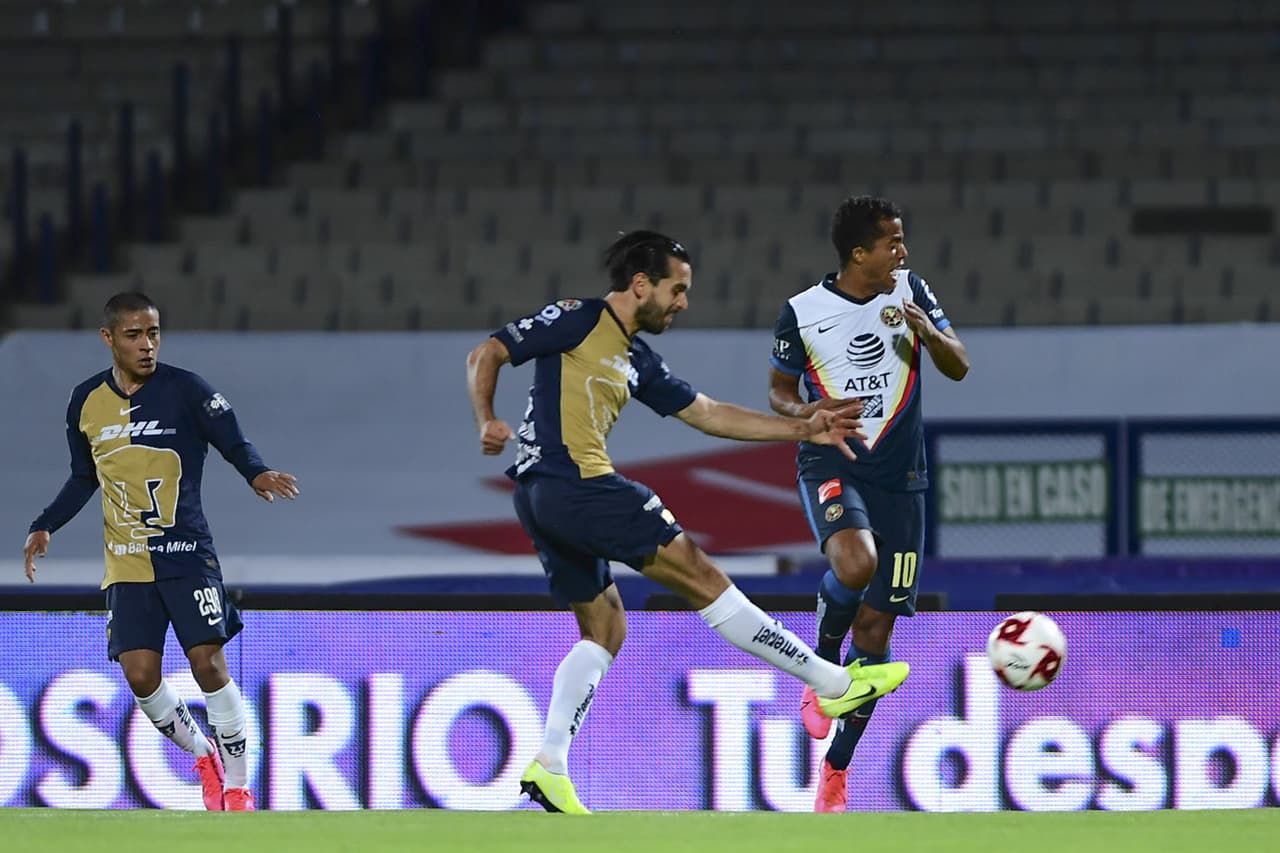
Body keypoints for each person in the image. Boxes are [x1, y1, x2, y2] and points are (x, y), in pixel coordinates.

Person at [465, 229, 910, 814]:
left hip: (545, 496)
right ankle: (832, 684)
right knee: (699, 573)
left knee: (605, 630)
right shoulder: (579, 319)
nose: (682, 303)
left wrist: (804, 426)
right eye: (677, 290)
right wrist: (486, 419)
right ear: (641, 283)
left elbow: (709, 414)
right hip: (573, 482)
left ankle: (549, 763)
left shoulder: (637, 357)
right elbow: (488, 352)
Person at [21, 292, 299, 812]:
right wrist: (46, 524)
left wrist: (255, 471)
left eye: (153, 333)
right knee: (141, 675)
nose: (147, 345)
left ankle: (238, 789)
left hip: (186, 553)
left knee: (207, 662)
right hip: (126, 560)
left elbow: (232, 441)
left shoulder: (188, 389)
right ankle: (203, 756)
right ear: (108, 338)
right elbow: (84, 476)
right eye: (134, 335)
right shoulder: (85, 401)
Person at [768, 195, 970, 812]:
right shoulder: (802, 312)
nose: (902, 252)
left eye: (902, 241)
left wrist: (928, 332)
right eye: (892, 243)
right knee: (854, 563)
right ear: (860, 254)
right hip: (834, 458)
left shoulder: (910, 290)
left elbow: (959, 365)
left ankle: (836, 771)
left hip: (902, 478)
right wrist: (810, 412)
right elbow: (779, 394)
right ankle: (821, 664)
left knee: (877, 634)